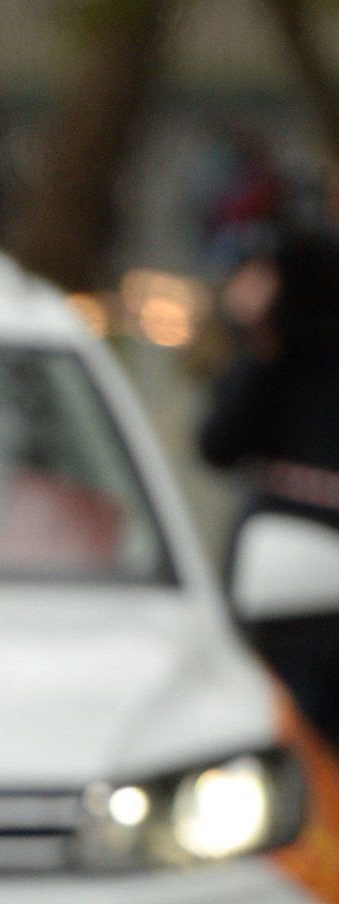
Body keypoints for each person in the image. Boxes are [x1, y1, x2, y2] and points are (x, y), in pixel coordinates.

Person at [199, 228, 339, 748]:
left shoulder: (278, 361)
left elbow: (217, 444)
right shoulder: (278, 361)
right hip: (286, 601)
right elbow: (217, 444)